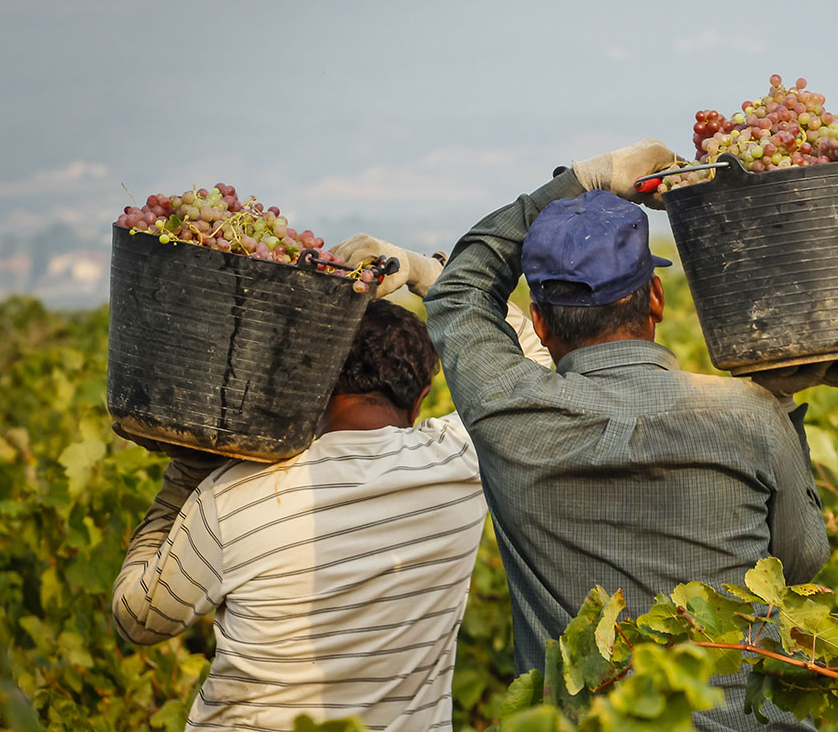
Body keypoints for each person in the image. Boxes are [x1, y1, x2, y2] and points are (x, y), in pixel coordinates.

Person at [343, 139, 831, 731]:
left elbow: (462, 288)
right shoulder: (750, 413)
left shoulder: (507, 411)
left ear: (539, 323)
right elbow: (800, 562)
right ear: (656, 299)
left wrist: (584, 178)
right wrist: (784, 400)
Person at [111, 261, 548, 731]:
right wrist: (427, 273)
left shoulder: (233, 493)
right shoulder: (459, 462)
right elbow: (534, 372)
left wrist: (186, 474)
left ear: (315, 384)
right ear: (421, 397)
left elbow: (137, 620)